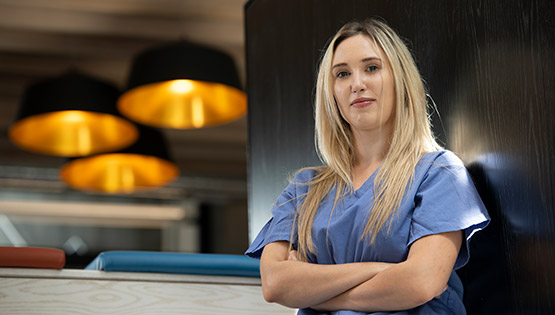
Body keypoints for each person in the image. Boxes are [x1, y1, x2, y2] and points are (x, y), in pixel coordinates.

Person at [245, 18, 490, 314]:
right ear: (331, 91)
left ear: (400, 78)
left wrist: (312, 292)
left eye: (371, 68)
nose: (357, 84)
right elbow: (275, 284)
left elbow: (422, 282)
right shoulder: (303, 190)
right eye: (342, 74)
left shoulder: (438, 174)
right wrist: (382, 270)